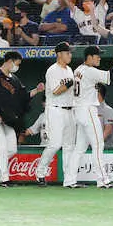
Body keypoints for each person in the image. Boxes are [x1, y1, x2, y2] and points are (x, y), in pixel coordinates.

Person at [0, 51, 44, 187]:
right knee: (1, 147)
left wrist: (36, 90)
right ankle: (4, 179)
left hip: (7, 119)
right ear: (9, 61)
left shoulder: (15, 80)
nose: (17, 66)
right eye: (16, 63)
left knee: (12, 149)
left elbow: (23, 97)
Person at [63, 46, 113, 189]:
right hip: (87, 110)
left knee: (80, 148)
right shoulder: (90, 71)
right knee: (98, 145)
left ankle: (69, 180)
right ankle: (103, 180)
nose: (99, 58)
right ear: (89, 57)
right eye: (97, 55)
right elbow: (110, 77)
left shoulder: (78, 69)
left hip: (78, 111)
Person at [36, 41, 75, 185]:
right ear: (59, 54)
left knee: (69, 145)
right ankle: (40, 172)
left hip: (69, 110)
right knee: (55, 144)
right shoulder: (53, 70)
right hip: (55, 109)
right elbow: (56, 91)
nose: (70, 55)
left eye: (70, 52)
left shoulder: (69, 70)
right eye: (67, 52)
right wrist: (70, 83)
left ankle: (69, 179)